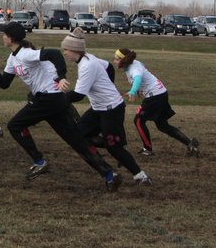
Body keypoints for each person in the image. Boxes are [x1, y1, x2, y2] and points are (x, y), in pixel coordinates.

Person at [0, 22, 122, 189]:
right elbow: (4, 84)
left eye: (4, 34)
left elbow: (55, 54)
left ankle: (39, 161)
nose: (2, 37)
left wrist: (61, 77)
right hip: (52, 100)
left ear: (10, 38)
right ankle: (109, 175)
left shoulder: (26, 54)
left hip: (49, 98)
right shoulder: (12, 59)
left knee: (14, 125)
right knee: (76, 139)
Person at [59, 28, 152, 185]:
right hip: (98, 109)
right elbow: (109, 66)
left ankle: (141, 176)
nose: (65, 53)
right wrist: (108, 86)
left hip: (112, 109)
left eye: (66, 49)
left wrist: (56, 99)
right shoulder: (88, 58)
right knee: (79, 135)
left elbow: (78, 95)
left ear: (75, 49)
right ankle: (115, 147)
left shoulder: (87, 65)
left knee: (113, 148)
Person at [113, 48, 200, 157]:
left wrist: (133, 91)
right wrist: (140, 88)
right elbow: (143, 68)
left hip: (155, 96)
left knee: (138, 120)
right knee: (162, 125)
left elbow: (138, 78)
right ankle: (190, 143)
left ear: (124, 59)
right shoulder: (135, 63)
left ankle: (147, 149)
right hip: (161, 93)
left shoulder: (133, 68)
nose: (114, 61)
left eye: (117, 59)